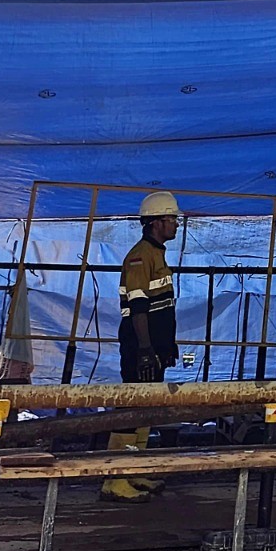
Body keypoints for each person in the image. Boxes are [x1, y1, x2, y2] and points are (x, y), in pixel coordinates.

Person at [101, 191, 181, 503]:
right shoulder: (140, 256)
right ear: (156, 222)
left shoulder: (157, 254)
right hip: (140, 345)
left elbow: (162, 307)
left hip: (154, 346)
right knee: (131, 407)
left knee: (145, 408)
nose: (176, 224)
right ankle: (114, 480)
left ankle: (132, 470)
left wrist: (166, 345)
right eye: (172, 218)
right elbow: (138, 307)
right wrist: (145, 349)